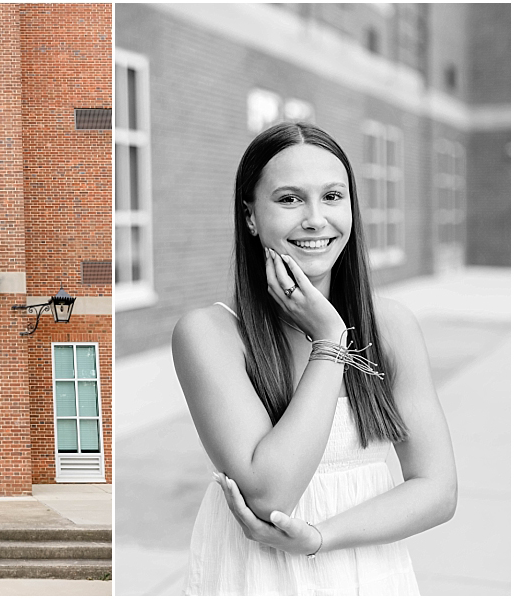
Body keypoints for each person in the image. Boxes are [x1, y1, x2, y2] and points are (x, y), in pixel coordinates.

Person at [172, 122, 457, 595]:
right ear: (250, 216)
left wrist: (320, 539)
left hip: (367, 571)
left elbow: (438, 490)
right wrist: (329, 340)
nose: (315, 219)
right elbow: (269, 492)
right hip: (257, 577)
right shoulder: (211, 334)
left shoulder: (391, 327)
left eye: (332, 196)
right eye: (288, 199)